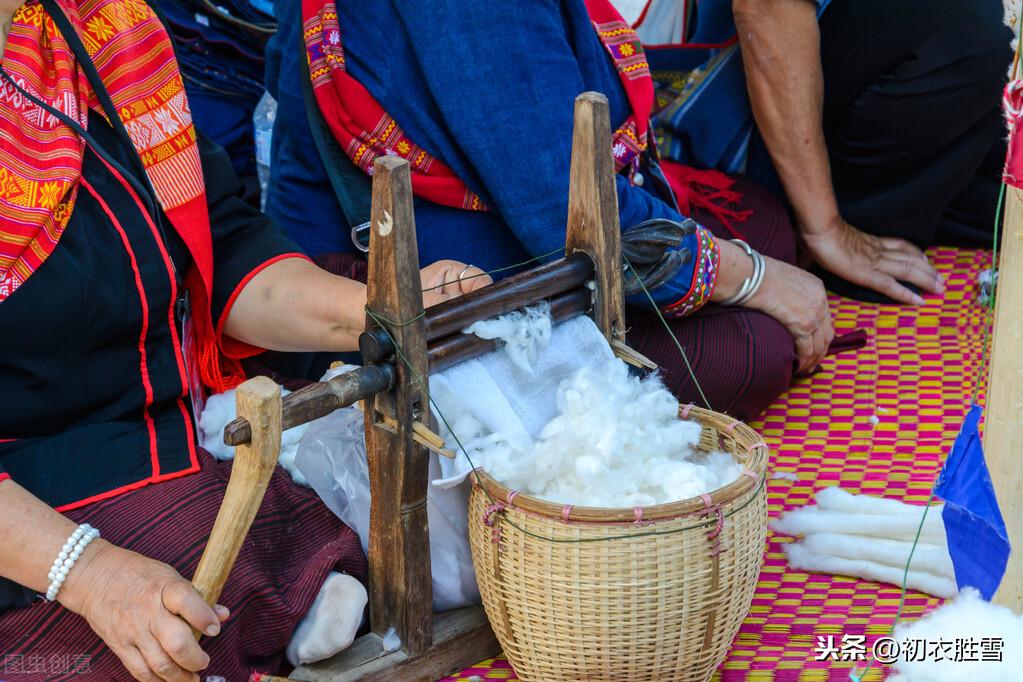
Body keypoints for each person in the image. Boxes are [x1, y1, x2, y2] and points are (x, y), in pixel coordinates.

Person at [0, 0, 487, 679]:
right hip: (29, 505)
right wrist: (87, 574)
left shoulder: (101, 34)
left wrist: (384, 308)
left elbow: (219, 249)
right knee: (175, 621)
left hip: (168, 436)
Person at [265, 0, 836, 421]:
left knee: (762, 222)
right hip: (414, 295)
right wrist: (753, 277)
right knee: (754, 347)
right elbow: (565, 212)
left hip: (473, 212)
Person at [625, 0, 1011, 304]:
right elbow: (767, 9)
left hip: (828, 71)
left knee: (1007, 195)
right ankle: (832, 237)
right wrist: (825, 227)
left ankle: (894, 206)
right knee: (969, 25)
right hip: (705, 123)